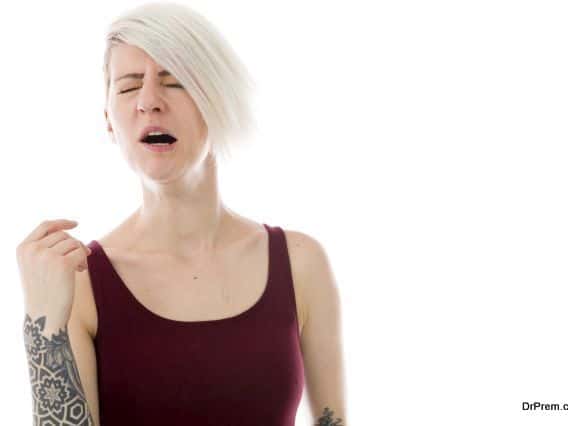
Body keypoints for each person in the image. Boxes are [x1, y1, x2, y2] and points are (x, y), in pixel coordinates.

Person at [16, 2, 348, 425]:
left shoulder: (301, 263)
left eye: (175, 82)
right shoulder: (80, 281)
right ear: (108, 121)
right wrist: (44, 329)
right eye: (128, 87)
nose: (149, 101)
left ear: (217, 102)